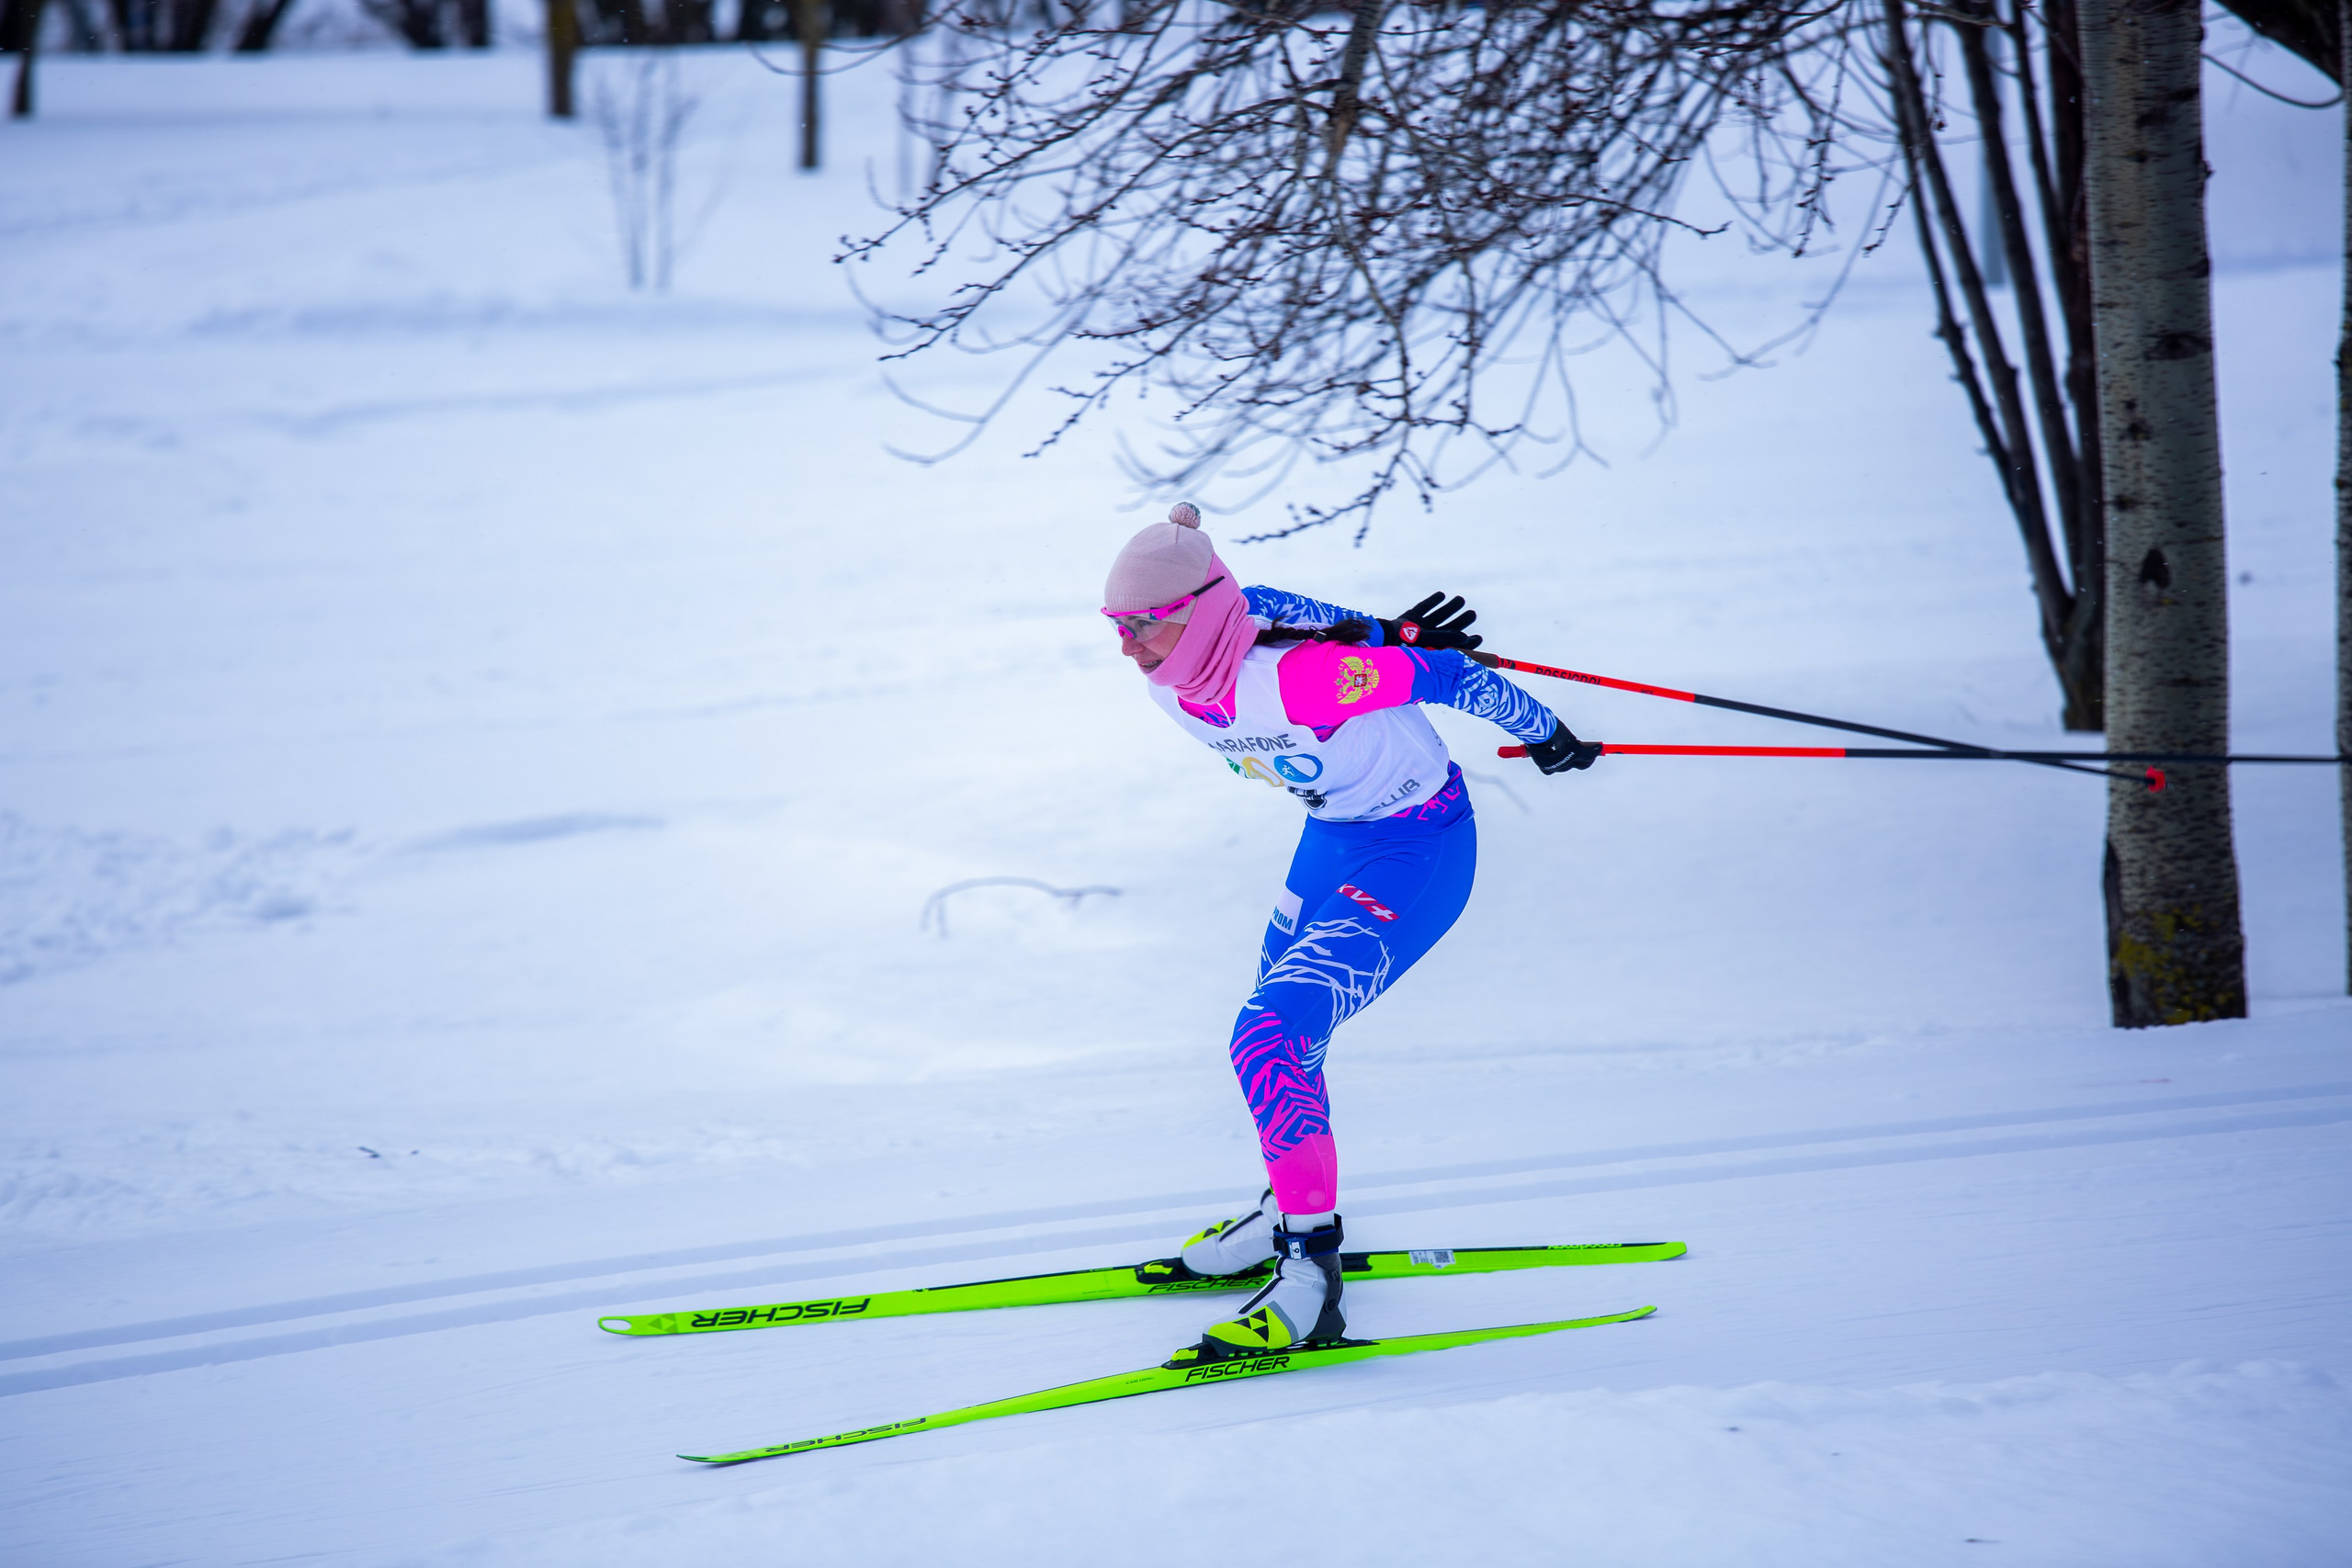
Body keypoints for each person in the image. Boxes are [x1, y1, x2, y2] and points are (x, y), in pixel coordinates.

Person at [1103, 503, 1602, 1366]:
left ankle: (1311, 1275)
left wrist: (1547, 735)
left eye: (1143, 624)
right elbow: (1278, 606)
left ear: (1193, 611)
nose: (1127, 646)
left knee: (1269, 1033)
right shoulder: (1211, 644)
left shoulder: (1303, 679)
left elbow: (1450, 677)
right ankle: (1285, 1211)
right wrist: (1380, 629)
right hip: (1332, 840)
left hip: (1417, 847)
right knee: (1280, 1036)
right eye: (1117, 625)